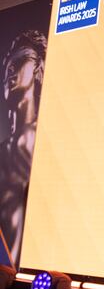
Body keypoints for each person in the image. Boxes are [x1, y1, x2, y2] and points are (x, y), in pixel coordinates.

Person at [0, 30, 47, 268]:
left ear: (38, 70)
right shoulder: (3, 153)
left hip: (29, 279)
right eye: (7, 65)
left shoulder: (50, 145)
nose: (10, 70)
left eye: (19, 61)